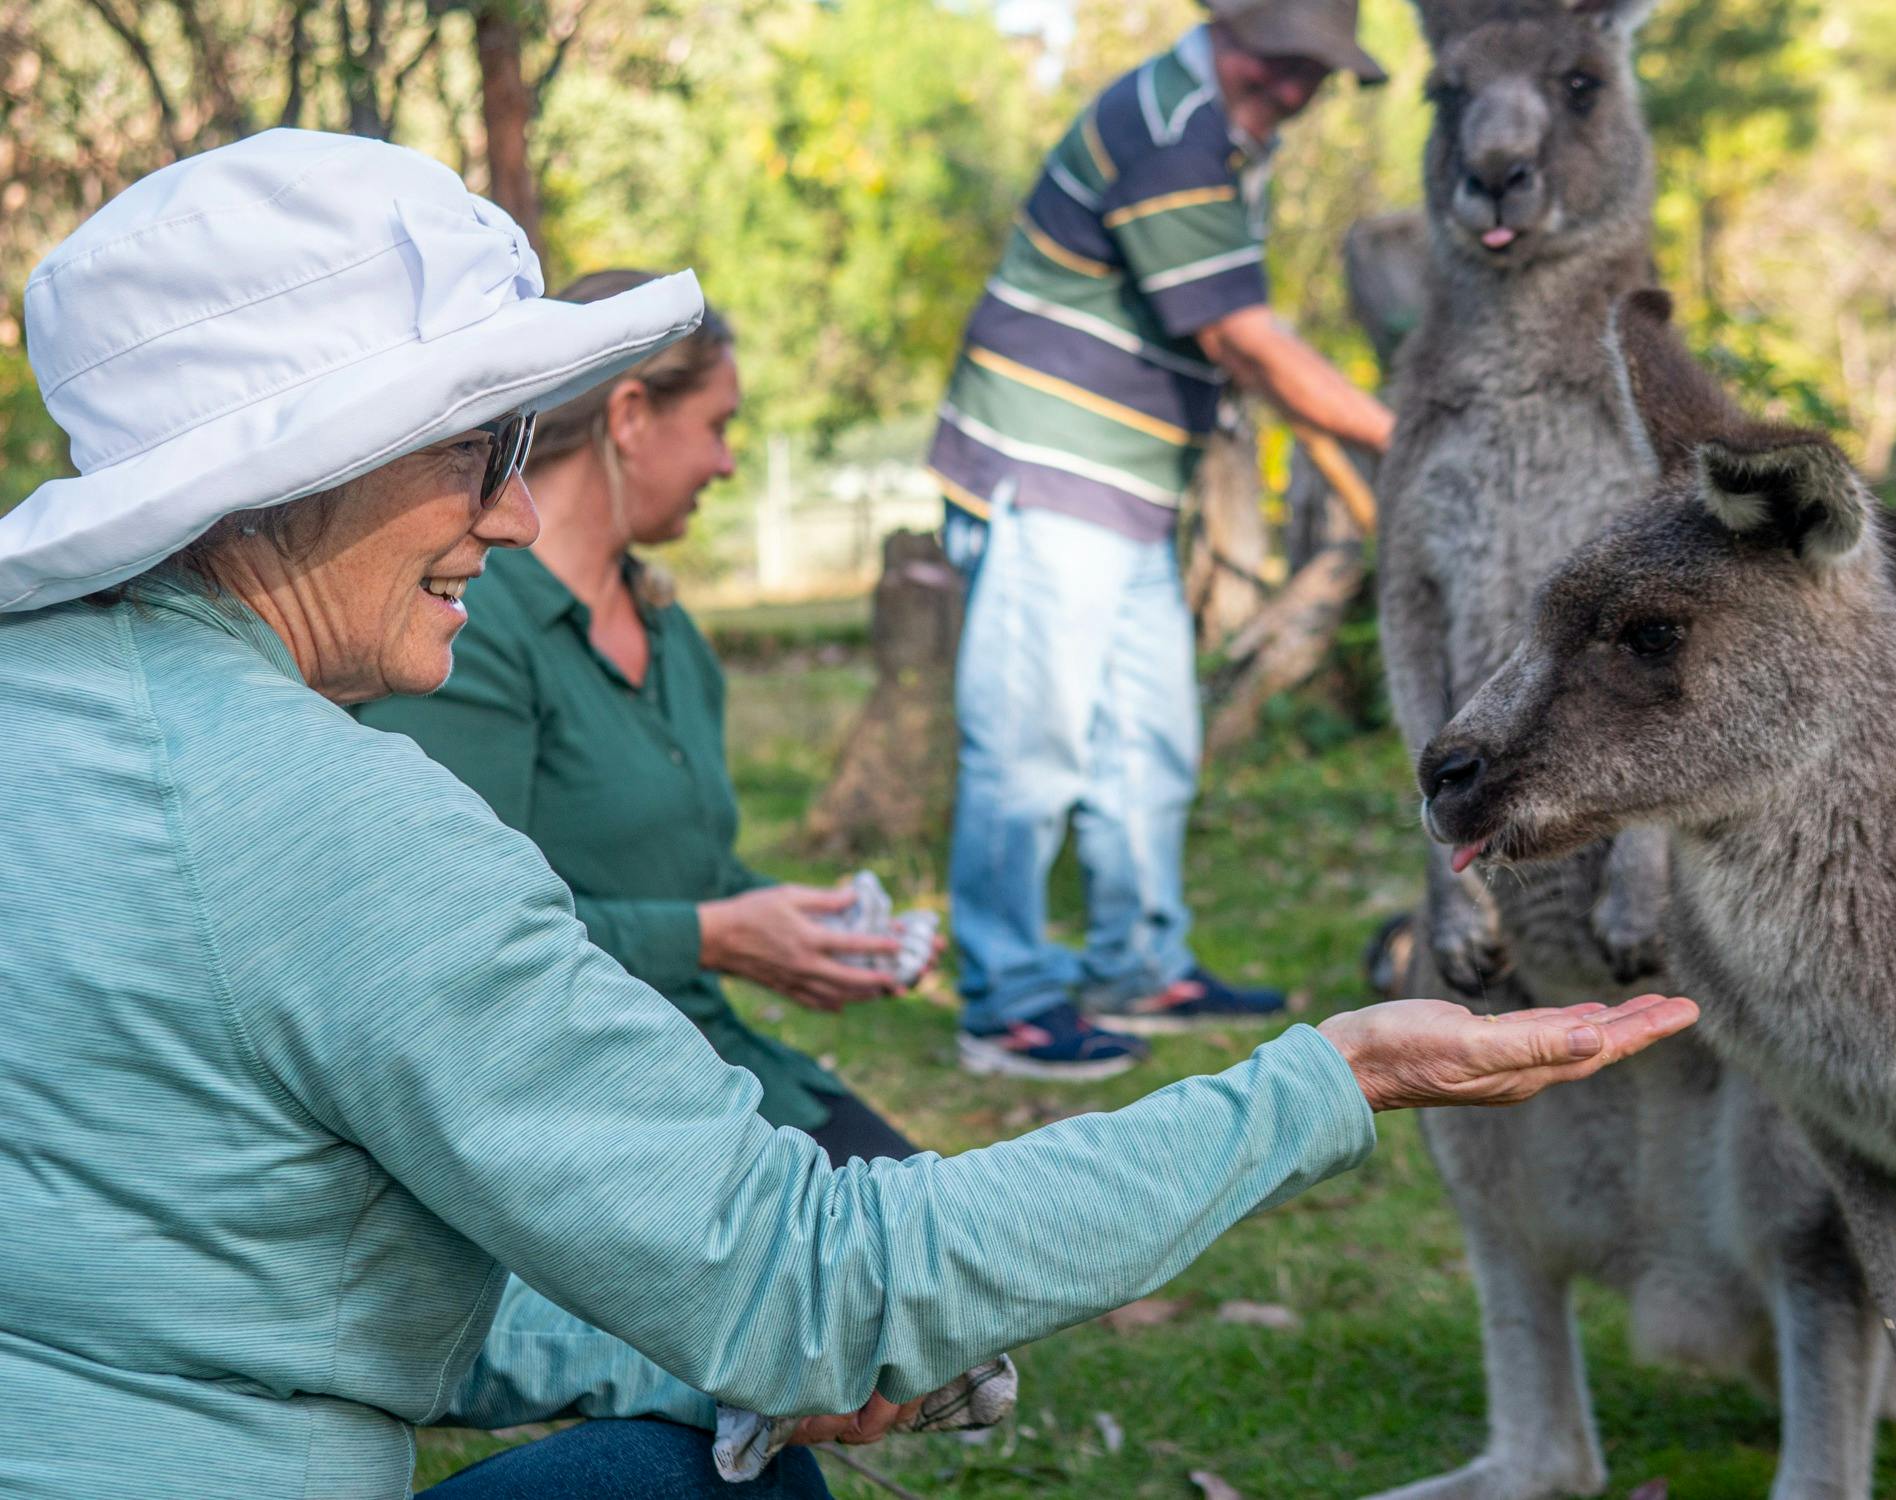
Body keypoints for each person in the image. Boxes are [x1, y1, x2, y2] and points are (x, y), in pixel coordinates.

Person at [0, 129, 1698, 1500]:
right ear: (296, 470)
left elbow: (239, 1294)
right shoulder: (333, 826)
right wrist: (1332, 1078)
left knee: (692, 1450)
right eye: (478, 449)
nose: (513, 515)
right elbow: (825, 1288)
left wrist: (683, 1364)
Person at [927, 0, 1401, 1079]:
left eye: (1315, 74)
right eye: (1280, 62)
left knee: (1149, 743)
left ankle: (1139, 968)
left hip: (1129, 489)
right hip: (1049, 465)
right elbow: (1242, 336)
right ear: (1229, 27)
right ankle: (1005, 1002)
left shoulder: (1222, 137)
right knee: (1028, 751)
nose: (1294, 90)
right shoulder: (1172, 129)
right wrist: (1400, 435)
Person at [358, 273, 919, 1160]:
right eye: (718, 427)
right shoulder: (468, 631)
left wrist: (807, 930)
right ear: (629, 417)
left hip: (719, 1064)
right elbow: (458, 931)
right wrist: (714, 938)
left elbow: (678, 872)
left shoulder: (672, 634)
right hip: (583, 1103)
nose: (727, 464)